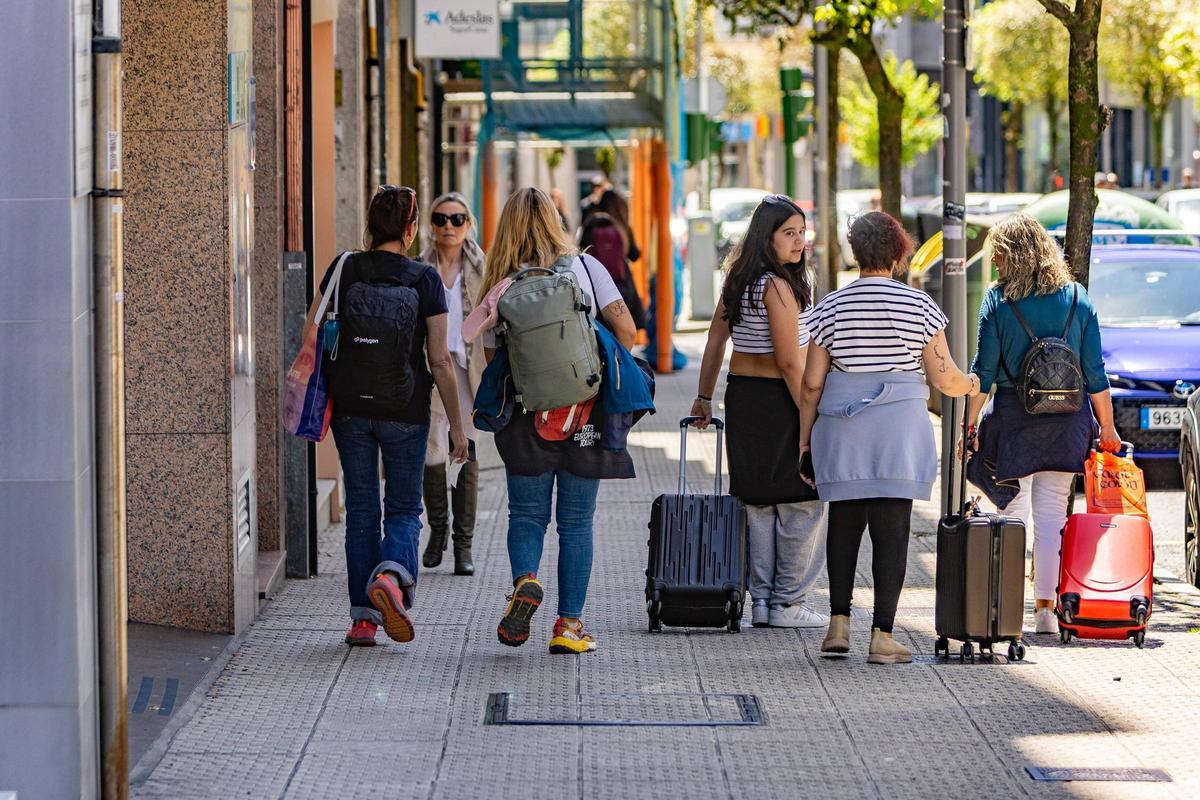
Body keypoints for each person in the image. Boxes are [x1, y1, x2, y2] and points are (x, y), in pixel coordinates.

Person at [798, 211, 980, 665]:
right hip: (899, 432)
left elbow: (811, 384)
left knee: (843, 524)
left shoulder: (831, 307)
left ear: (854, 253)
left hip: (844, 429)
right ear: (899, 254)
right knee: (892, 531)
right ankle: (882, 636)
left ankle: (838, 627)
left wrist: (805, 440)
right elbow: (944, 377)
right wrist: (975, 385)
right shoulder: (919, 307)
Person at [475, 187, 638, 655]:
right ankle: (568, 627)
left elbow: (492, 358)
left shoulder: (500, 280)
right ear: (556, 221)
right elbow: (626, 329)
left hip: (526, 415)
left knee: (526, 514)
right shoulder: (587, 268)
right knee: (577, 521)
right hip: (583, 412)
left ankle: (525, 582)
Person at [318, 185, 469, 647]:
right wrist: (460, 428)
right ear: (411, 228)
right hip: (406, 409)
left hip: (350, 410)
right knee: (403, 508)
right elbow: (440, 360)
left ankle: (363, 621)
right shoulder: (424, 280)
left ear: (370, 223)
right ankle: (392, 576)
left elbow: (313, 330)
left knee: (362, 509)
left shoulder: (344, 269)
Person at [966, 213, 1120, 635]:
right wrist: (1106, 427)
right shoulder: (1076, 297)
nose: (994, 260)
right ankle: (1046, 612)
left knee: (1012, 513)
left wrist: (968, 422)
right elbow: (1094, 372)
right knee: (1052, 516)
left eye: (998, 252)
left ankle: (1007, 610)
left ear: (1013, 254)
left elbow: (983, 370)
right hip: (1068, 421)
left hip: (1015, 420)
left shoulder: (998, 302)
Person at [690, 195, 828, 629]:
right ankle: (788, 601)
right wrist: (809, 413)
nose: (799, 242)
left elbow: (716, 341)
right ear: (765, 237)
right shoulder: (777, 286)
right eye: (789, 233)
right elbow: (791, 361)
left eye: (802, 233)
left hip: (744, 397)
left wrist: (704, 396)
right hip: (779, 400)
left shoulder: (738, 279)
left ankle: (763, 602)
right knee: (801, 499)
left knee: (759, 501)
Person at [419, 192, 487, 577]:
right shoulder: (419, 268)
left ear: (469, 225)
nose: (449, 226)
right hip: (429, 372)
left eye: (458, 219)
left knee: (467, 449)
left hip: (467, 373)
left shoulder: (482, 268)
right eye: (442, 219)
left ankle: (463, 545)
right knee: (432, 452)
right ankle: (438, 531)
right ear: (431, 224)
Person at [579, 189, 647, 330]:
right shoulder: (621, 226)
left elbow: (580, 251)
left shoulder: (591, 223)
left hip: (594, 283)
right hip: (621, 283)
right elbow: (634, 255)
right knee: (623, 330)